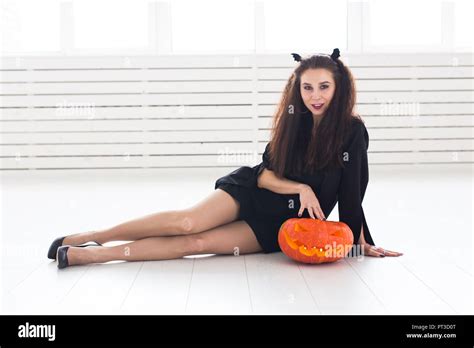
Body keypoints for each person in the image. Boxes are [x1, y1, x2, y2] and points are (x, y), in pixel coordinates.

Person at [48, 48, 402, 269]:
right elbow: (264, 175)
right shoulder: (293, 120)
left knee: (196, 245)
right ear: (298, 89)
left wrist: (358, 243)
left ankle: (90, 256)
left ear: (338, 87)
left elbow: (353, 194)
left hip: (280, 223)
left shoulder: (352, 131)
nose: (315, 96)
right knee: (187, 222)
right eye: (307, 88)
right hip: (250, 192)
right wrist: (300, 188)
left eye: (323, 87)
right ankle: (92, 235)